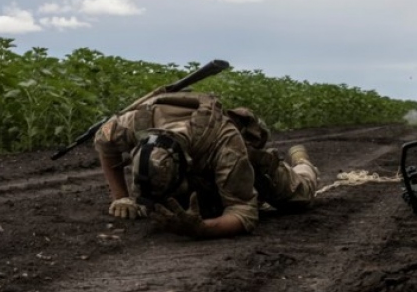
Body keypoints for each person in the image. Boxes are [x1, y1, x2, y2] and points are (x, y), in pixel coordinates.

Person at [93, 91, 319, 239]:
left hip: (243, 164)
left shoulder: (226, 146)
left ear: (186, 165)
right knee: (199, 205)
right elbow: (103, 144)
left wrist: (201, 229)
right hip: (198, 166)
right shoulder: (131, 125)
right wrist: (120, 196)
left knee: (300, 197)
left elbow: (242, 212)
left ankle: (301, 162)